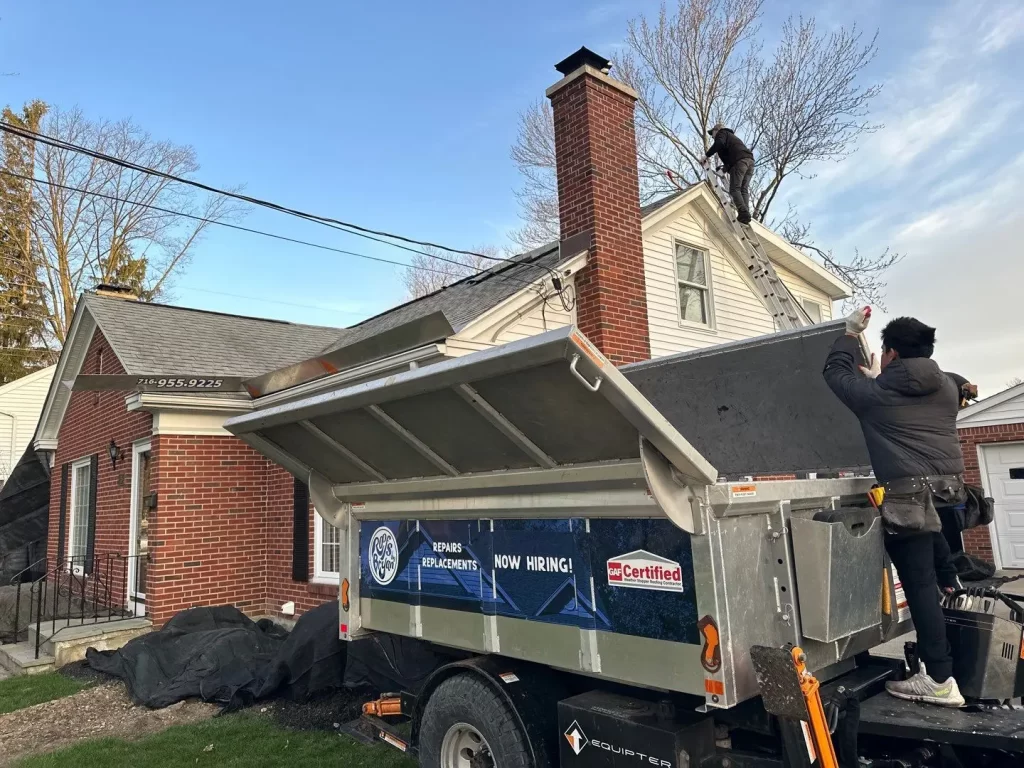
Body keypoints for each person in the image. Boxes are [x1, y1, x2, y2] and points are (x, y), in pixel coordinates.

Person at [823, 307, 966, 707]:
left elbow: (835, 373)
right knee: (942, 575)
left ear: (890, 354)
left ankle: (939, 679)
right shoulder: (948, 389)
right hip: (948, 498)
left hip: (911, 503)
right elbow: (950, 379)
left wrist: (850, 334)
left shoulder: (876, 395)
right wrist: (879, 378)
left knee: (919, 587)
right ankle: (953, 589)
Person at [705, 122, 755, 224]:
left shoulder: (722, 133)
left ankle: (744, 212)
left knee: (734, 189)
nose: (712, 136)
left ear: (717, 130)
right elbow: (730, 160)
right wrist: (724, 169)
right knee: (743, 189)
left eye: (712, 133)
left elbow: (719, 144)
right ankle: (745, 214)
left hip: (740, 162)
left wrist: (706, 155)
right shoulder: (731, 139)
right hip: (749, 162)